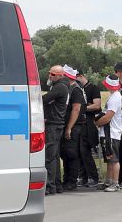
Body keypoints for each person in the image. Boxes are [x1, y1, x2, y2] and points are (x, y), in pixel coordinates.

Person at [42, 65, 70, 194]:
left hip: (54, 124)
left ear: (60, 75)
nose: (49, 76)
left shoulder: (59, 87)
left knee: (49, 157)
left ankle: (49, 186)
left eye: (52, 74)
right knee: (54, 156)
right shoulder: (60, 86)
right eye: (49, 73)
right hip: (56, 124)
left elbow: (44, 99)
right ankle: (56, 185)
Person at [94, 75, 122, 192]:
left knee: (114, 159)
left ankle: (115, 183)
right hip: (108, 132)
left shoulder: (115, 98)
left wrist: (97, 123)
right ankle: (109, 180)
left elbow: (108, 117)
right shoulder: (114, 96)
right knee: (109, 158)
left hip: (112, 133)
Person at [60, 65, 86, 191]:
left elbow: (76, 109)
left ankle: (72, 180)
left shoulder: (75, 90)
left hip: (75, 126)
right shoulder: (68, 88)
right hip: (68, 125)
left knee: (71, 153)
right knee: (65, 153)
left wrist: (69, 127)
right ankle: (66, 179)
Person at [76, 72, 102, 186]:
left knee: (87, 151)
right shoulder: (76, 89)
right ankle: (83, 176)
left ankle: (93, 177)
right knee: (80, 151)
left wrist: (83, 108)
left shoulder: (93, 88)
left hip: (90, 124)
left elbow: (97, 105)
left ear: (81, 76)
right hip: (79, 124)